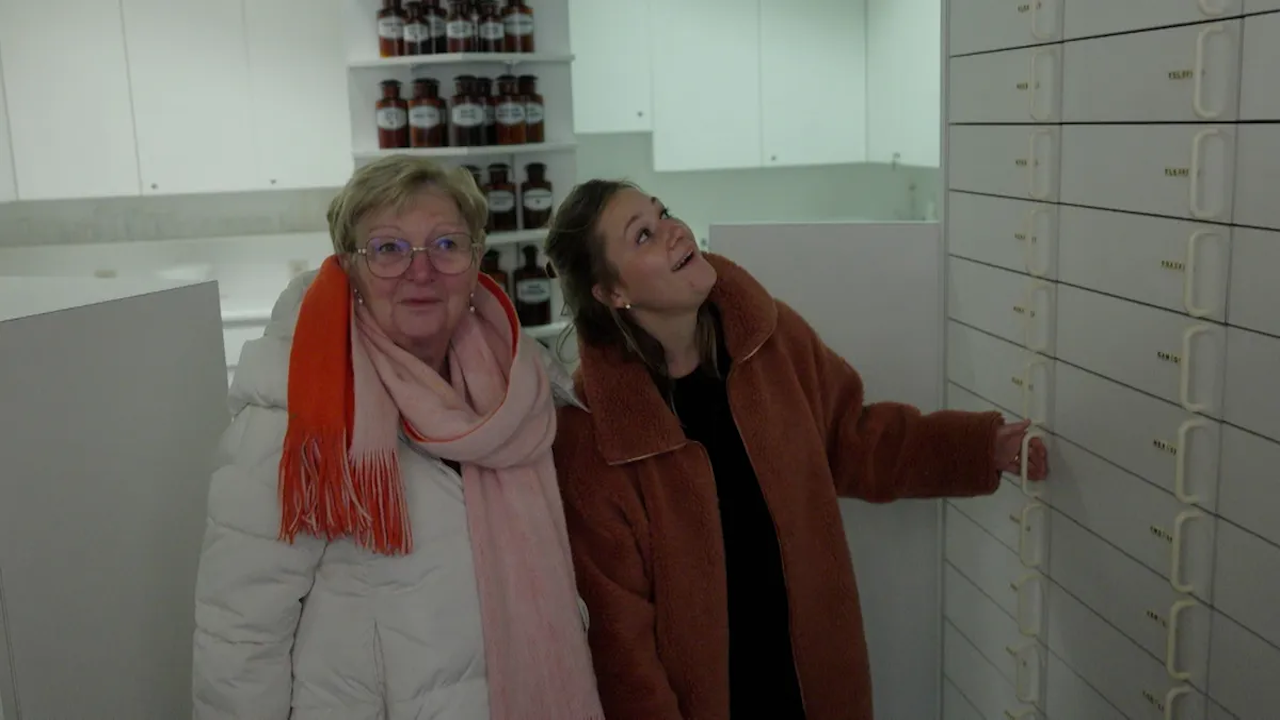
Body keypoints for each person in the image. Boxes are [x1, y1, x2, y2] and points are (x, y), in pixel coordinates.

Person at [543, 180, 1050, 720]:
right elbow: (621, 647)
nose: (673, 230)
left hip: (813, 689)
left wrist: (979, 448)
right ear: (611, 292)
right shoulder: (593, 437)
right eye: (643, 235)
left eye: (662, 212)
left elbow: (853, 439)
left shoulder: (769, 342)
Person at [191, 156, 603, 720]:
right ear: (349, 266)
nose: (421, 270)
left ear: (476, 260)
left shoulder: (517, 393)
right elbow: (239, 642)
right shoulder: (296, 419)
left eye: (446, 244)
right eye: (388, 248)